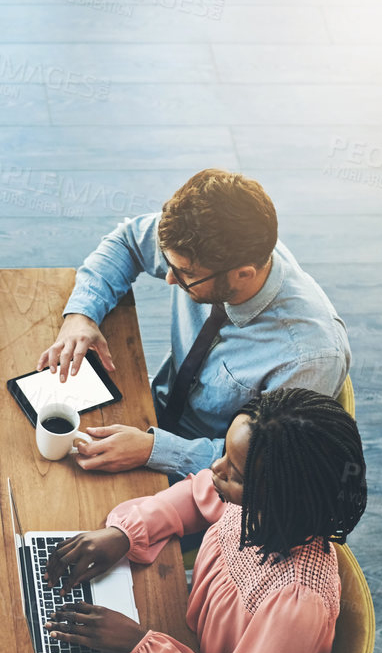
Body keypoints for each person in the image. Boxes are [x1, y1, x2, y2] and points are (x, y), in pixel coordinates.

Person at [44, 388, 364, 653]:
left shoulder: (297, 605)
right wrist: (124, 535)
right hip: (187, 643)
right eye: (225, 453)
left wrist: (138, 643)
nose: (215, 468)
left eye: (235, 474)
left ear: (282, 499)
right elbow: (196, 498)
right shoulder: (254, 503)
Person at [36, 169, 349, 480]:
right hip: (148, 411)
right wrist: (82, 315)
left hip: (211, 481)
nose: (170, 278)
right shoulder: (204, 247)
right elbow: (129, 241)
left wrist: (151, 450)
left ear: (243, 274)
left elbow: (265, 463)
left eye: (184, 274)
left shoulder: (308, 358)